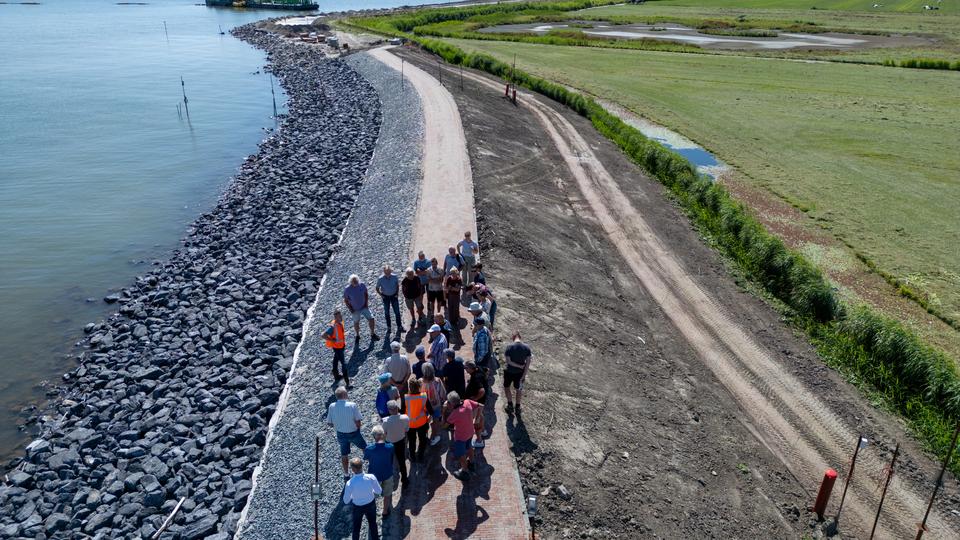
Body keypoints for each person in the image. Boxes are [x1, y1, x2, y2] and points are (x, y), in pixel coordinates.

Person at [327, 387, 366, 481]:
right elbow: (358, 421)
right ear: (344, 395)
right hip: (353, 433)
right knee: (364, 447)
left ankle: (346, 474)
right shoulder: (352, 405)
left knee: (344, 454)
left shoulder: (332, 406)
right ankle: (371, 464)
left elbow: (329, 423)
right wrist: (358, 429)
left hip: (340, 434)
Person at [443, 392, 481, 480]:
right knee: (469, 447)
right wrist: (477, 418)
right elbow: (479, 405)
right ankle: (472, 463)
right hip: (470, 432)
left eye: (448, 402)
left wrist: (443, 411)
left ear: (451, 404)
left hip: (460, 437)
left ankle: (464, 471)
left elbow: (444, 426)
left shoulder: (455, 414)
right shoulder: (467, 402)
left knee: (461, 454)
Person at [343, 457, 381, 540]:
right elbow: (379, 491)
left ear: (352, 469)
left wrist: (353, 495)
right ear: (362, 466)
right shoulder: (371, 477)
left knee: (356, 528)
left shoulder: (350, 483)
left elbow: (346, 501)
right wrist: (371, 490)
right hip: (370, 505)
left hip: (357, 507)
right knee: (373, 524)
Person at [363, 426, 395, 518]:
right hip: (388, 474)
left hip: (374, 477)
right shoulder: (390, 446)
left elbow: (366, 458)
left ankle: (372, 512)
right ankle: (385, 511)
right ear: (383, 435)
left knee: (372, 496)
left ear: (374, 436)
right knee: (387, 494)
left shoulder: (369, 449)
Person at [503, 332, 533, 415]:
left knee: (506, 387)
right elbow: (528, 363)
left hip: (509, 372)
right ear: (520, 337)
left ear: (513, 337)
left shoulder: (509, 347)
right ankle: (518, 407)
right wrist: (523, 375)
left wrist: (518, 366)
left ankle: (510, 405)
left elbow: (508, 361)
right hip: (520, 374)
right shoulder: (527, 348)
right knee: (519, 390)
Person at [382, 400, 410, 489]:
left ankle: (393, 479)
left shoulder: (385, 421)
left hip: (389, 443)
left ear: (389, 410)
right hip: (401, 442)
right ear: (397, 408)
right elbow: (406, 430)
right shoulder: (405, 417)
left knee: (391, 462)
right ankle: (405, 480)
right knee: (402, 462)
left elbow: (384, 433)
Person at [344, 274, 378, 343]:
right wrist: (350, 309)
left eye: (356, 280)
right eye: (354, 281)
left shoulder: (362, 285)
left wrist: (366, 303)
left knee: (371, 319)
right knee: (356, 322)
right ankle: (357, 335)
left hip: (364, 306)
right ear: (351, 282)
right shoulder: (347, 289)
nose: (356, 282)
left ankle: (372, 333)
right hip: (355, 309)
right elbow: (346, 300)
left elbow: (366, 293)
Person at [404, 378, 431, 462]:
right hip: (422, 423)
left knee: (412, 441)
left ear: (410, 388)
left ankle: (412, 456)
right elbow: (430, 410)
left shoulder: (406, 398)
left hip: (410, 424)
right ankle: (420, 456)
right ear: (419, 386)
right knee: (422, 440)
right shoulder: (424, 396)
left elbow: (402, 411)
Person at [421, 363, 447, 446]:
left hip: (424, 406)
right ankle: (434, 436)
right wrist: (444, 401)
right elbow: (442, 394)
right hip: (436, 405)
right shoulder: (437, 381)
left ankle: (424, 436)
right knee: (436, 421)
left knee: (424, 421)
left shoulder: (419, 382)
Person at [463, 360, 488, 447]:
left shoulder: (476, 378)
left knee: (476, 422)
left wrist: (475, 399)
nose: (465, 369)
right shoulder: (479, 368)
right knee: (480, 415)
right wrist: (485, 381)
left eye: (466, 368)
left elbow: (482, 391)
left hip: (477, 402)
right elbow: (487, 370)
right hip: (480, 402)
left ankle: (479, 440)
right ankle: (483, 431)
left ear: (471, 368)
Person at [324, 309, 349, 387]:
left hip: (340, 346)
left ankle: (336, 376)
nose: (341, 317)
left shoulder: (340, 322)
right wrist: (332, 340)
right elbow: (323, 335)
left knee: (336, 359)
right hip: (337, 347)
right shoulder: (333, 326)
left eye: (341, 315)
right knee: (343, 364)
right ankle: (347, 383)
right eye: (339, 316)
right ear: (335, 317)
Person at [383, 341, 411, 410]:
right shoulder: (405, 358)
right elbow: (409, 372)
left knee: (393, 399)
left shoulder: (388, 361)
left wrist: (396, 384)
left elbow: (387, 375)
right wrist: (403, 383)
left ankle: (396, 411)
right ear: (399, 348)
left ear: (392, 349)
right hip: (403, 383)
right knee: (404, 398)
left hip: (393, 384)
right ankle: (404, 410)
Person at [376, 265, 403, 333]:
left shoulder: (395, 277)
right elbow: (377, 288)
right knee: (387, 313)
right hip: (386, 297)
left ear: (391, 271)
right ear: (384, 272)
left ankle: (399, 326)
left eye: (389, 272)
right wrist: (381, 295)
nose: (387, 273)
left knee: (397, 312)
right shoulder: (380, 279)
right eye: (386, 272)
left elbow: (397, 285)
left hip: (394, 296)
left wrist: (397, 293)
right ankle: (389, 327)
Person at [443, 268, 463, 337]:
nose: (452, 275)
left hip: (456, 296)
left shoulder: (459, 279)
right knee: (450, 308)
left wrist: (451, 288)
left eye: (454, 273)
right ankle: (451, 321)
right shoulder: (449, 278)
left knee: (456, 308)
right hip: (450, 296)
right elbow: (446, 288)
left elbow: (457, 289)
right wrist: (451, 288)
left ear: (456, 273)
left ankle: (456, 320)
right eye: (451, 273)